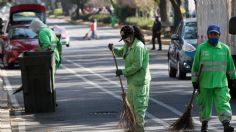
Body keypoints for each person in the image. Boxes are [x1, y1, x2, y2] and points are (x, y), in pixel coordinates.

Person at [191, 25, 236, 132]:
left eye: (215, 34)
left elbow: (230, 66)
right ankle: (204, 124)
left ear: (219, 35)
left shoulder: (225, 49)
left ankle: (226, 124)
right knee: (205, 106)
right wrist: (194, 81)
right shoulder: (201, 48)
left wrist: (233, 78)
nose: (213, 36)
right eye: (211, 34)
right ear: (207, 35)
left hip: (221, 83)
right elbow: (195, 66)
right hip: (204, 84)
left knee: (223, 103)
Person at [108, 25, 151, 132]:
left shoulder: (138, 47)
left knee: (138, 113)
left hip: (140, 83)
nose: (125, 41)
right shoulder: (128, 45)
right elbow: (122, 52)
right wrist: (113, 49)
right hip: (132, 83)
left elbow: (137, 65)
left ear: (132, 35)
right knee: (131, 111)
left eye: (126, 38)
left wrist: (123, 72)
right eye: (124, 39)